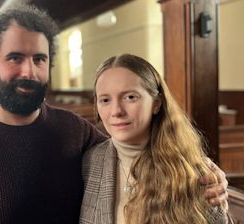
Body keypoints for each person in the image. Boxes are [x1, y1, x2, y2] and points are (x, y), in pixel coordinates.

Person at [0, 5, 228, 224]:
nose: (30, 71)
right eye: (14, 58)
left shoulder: (73, 130)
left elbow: (137, 149)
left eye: (39, 58)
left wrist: (204, 173)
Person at [80, 54, 231, 224]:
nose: (116, 111)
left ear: (156, 103)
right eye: (105, 100)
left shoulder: (193, 171)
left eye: (130, 97)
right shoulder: (89, 162)